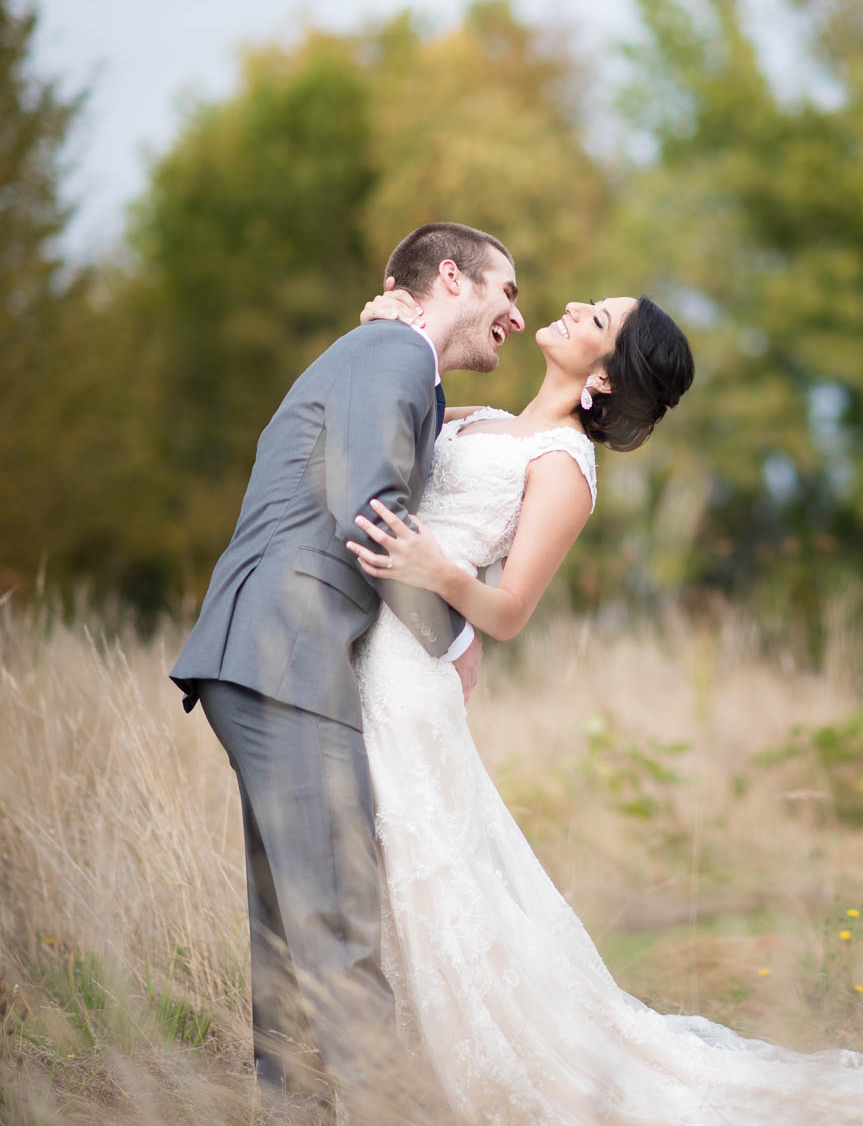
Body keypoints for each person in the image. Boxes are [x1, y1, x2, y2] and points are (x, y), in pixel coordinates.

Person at [340, 286, 863, 1125]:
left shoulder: (565, 464)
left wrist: (439, 574)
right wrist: (390, 330)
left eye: (596, 319)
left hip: (411, 684)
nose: (569, 305)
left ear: (604, 379)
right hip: (386, 658)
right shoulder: (482, 417)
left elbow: (511, 612)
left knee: (430, 876)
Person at [168, 222, 523, 1120]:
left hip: (262, 651)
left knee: (292, 926)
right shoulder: (393, 353)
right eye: (507, 292)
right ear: (453, 276)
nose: (515, 316)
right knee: (340, 928)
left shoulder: (390, 356)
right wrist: (454, 639)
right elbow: (371, 514)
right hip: (287, 648)